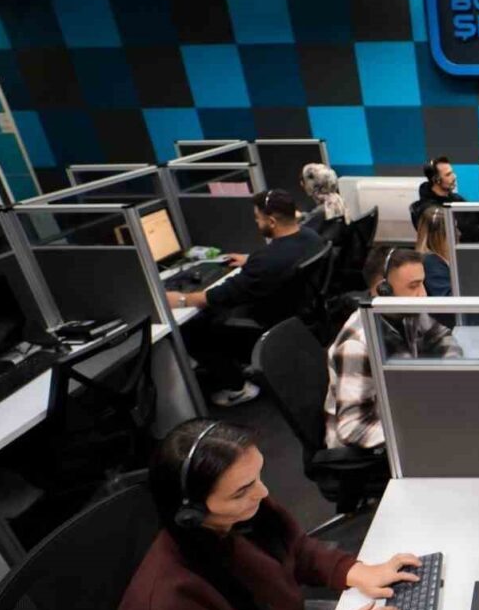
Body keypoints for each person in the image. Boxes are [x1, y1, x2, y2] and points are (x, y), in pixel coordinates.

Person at [112, 420, 422, 610]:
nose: (262, 492)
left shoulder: (240, 513)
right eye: (241, 491)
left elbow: (295, 549)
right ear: (190, 513)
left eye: (257, 476)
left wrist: (355, 571)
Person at [167, 189, 325, 406]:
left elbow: (217, 296)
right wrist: (251, 260)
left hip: (270, 327)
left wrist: (181, 299)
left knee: (193, 330)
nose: (256, 223)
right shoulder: (310, 236)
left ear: (271, 221)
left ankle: (238, 388)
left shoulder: (266, 261)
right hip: (299, 317)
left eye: (258, 219)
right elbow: (281, 259)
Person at [324, 249, 462, 449]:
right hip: (370, 448)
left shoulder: (405, 311)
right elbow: (352, 428)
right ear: (384, 291)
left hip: (402, 409)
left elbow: (441, 337)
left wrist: (452, 376)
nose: (423, 294)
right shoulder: (358, 345)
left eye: (422, 283)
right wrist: (419, 431)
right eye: (414, 286)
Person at [299, 163, 347, 240]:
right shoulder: (337, 200)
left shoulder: (324, 208)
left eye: (304, 182)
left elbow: (299, 232)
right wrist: (302, 216)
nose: (302, 185)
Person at [414, 205, 452, 298]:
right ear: (440, 237)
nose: (459, 233)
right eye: (453, 230)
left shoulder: (435, 258)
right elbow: (448, 298)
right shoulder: (431, 263)